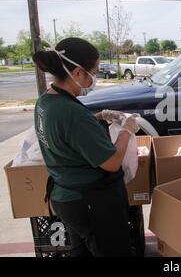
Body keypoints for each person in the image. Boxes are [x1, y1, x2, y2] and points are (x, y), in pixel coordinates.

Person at [33, 37, 139, 257]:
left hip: (65, 197)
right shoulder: (71, 112)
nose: (95, 78)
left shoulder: (45, 101)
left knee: (82, 252)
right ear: (78, 72)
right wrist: (126, 131)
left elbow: (66, 136)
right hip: (89, 202)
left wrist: (97, 118)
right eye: (95, 71)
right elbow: (111, 163)